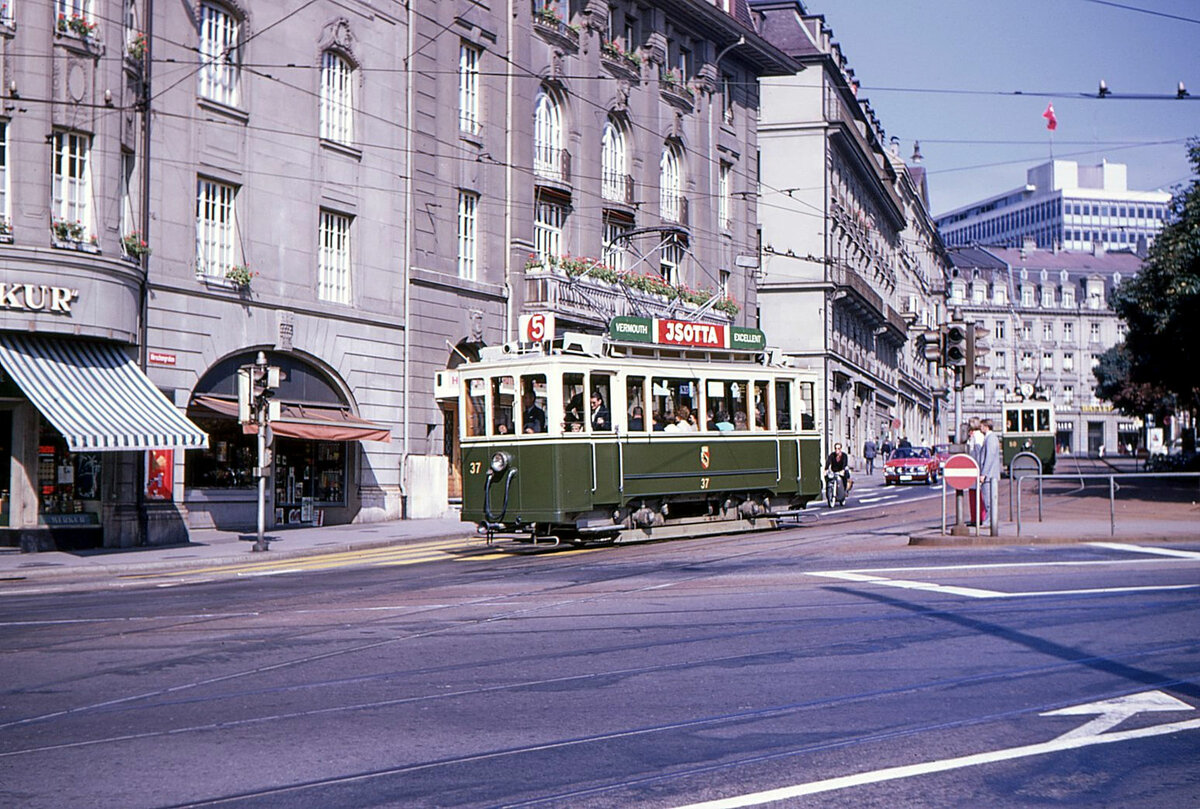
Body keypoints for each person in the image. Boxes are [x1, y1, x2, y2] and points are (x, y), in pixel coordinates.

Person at [978, 418, 1002, 536]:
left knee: (989, 500)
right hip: (990, 475)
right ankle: (989, 519)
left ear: (986, 426)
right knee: (987, 499)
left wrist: (984, 473)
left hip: (989, 475)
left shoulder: (991, 439)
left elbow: (989, 457)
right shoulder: (989, 438)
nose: (980, 428)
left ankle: (989, 520)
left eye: (981, 426)